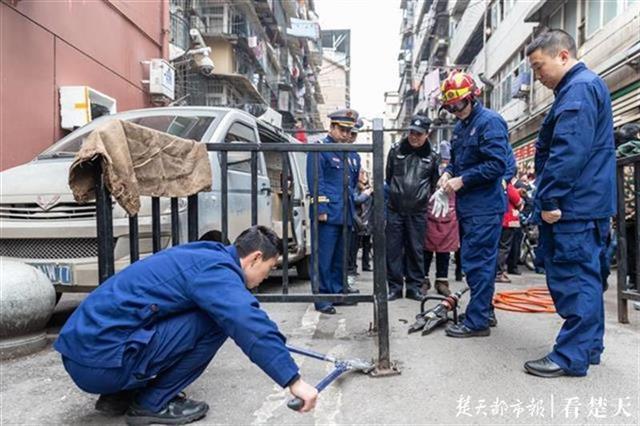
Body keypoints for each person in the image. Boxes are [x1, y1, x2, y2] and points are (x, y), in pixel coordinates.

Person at [54, 226, 318, 425]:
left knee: (201, 313)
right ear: (255, 258)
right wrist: (293, 380)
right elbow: (247, 321)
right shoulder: (217, 271)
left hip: (83, 353)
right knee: (218, 321)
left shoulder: (204, 255)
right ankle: (151, 403)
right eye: (269, 268)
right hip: (99, 361)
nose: (265, 277)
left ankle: (119, 395)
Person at [523, 30, 616, 378]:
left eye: (538, 66)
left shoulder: (577, 89)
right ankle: (588, 347)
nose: (537, 77)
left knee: (574, 278)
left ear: (562, 55)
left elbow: (568, 152)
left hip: (572, 205)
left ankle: (570, 355)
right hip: (587, 202)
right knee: (588, 277)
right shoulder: (584, 86)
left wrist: (549, 198)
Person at [437, 70, 512, 337]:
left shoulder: (490, 122)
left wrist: (462, 180)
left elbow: (496, 165)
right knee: (479, 263)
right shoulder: (459, 129)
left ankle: (477, 321)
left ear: (472, 97)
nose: (455, 110)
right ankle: (485, 310)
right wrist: (447, 173)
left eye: (458, 104)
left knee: (477, 263)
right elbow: (456, 161)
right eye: (449, 106)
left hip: (484, 207)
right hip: (469, 208)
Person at [307, 109, 361, 314]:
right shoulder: (320, 148)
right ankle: (322, 297)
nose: (346, 134)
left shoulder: (349, 152)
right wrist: (320, 207)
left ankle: (338, 292)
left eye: (349, 131)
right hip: (327, 212)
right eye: (342, 130)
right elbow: (316, 180)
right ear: (331, 127)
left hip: (344, 211)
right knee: (324, 257)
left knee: (340, 256)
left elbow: (352, 183)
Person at [385, 115, 439, 301]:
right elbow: (388, 177)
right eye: (412, 133)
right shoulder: (395, 151)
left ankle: (414, 287)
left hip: (418, 211)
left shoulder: (433, 157)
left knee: (416, 250)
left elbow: (433, 183)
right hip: (395, 209)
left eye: (419, 134)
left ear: (427, 134)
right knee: (393, 250)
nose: (414, 137)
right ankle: (395, 287)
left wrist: (421, 198)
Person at [423, 140, 459, 296]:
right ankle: (423, 279)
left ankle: (442, 280)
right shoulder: (432, 165)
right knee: (426, 248)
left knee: (444, 249)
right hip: (431, 208)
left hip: (450, 211)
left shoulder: (458, 167)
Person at [347, 119, 365, 286]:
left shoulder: (355, 156)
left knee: (351, 247)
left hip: (351, 210)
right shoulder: (335, 150)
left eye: (353, 134)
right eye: (348, 132)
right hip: (340, 208)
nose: (350, 137)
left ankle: (346, 282)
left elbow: (353, 184)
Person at [496, 178, 524, 283]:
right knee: (504, 247)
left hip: (498, 219)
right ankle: (499, 273)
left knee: (498, 246)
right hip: (509, 220)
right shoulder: (508, 186)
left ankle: (497, 271)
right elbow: (517, 200)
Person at [354, 169, 374, 272]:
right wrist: (366, 193)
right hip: (359, 220)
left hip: (368, 220)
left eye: (365, 174)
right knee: (356, 244)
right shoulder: (356, 188)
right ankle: (353, 267)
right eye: (362, 174)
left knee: (367, 245)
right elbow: (357, 200)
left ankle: (366, 265)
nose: (363, 176)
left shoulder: (369, 189)